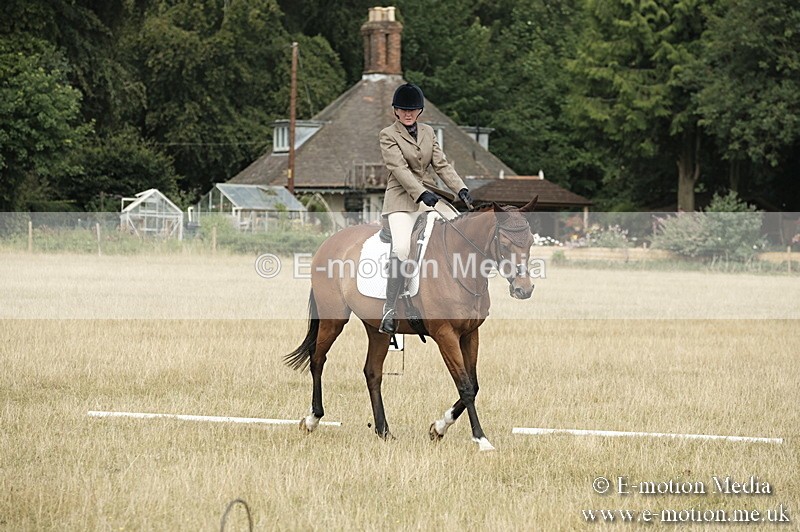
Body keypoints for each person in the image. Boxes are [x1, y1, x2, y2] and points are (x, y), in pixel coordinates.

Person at [378, 82, 474, 335]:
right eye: (403, 110)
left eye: (412, 110)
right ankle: (389, 309)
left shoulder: (429, 132)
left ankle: (461, 292)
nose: (408, 114)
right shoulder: (388, 135)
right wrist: (421, 193)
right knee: (401, 247)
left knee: (461, 230)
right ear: (396, 111)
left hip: (431, 197)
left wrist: (459, 188)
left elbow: (441, 165)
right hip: (401, 201)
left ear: (419, 111)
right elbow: (399, 170)